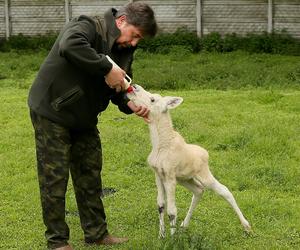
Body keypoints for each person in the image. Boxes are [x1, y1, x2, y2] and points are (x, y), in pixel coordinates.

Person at [28, 2, 157, 250]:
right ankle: (57, 242)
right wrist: (107, 67)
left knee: (90, 174)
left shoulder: (123, 48)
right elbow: (69, 45)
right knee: (54, 177)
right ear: (121, 22)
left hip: (84, 116)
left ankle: (97, 234)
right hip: (52, 110)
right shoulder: (88, 25)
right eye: (135, 35)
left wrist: (127, 103)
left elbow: (118, 84)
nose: (134, 43)